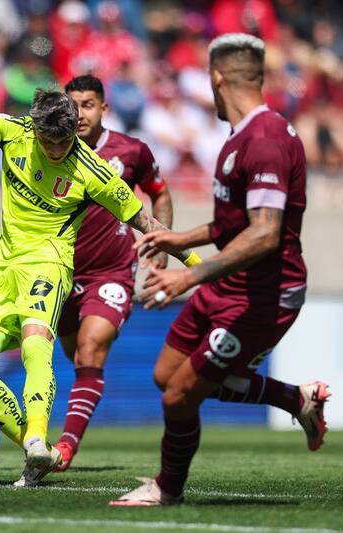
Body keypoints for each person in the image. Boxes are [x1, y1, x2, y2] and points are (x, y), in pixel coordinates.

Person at [0, 65, 201, 487]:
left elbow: (148, 222)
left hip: (49, 264)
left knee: (36, 346)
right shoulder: (13, 132)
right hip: (2, 266)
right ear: (36, 129)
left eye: (66, 141)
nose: (59, 149)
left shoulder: (93, 171)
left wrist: (197, 265)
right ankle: (33, 442)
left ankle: (37, 444)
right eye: (51, 141)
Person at [110, 33, 329, 507]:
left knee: (179, 398)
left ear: (215, 78)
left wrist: (187, 275)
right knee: (167, 376)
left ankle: (167, 488)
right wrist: (180, 238)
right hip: (230, 282)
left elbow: (265, 234)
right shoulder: (242, 135)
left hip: (263, 294)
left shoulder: (265, 140)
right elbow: (236, 222)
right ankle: (296, 399)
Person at [52, 74, 174, 471]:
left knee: (91, 350)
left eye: (88, 105)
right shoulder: (52, 149)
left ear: (104, 108)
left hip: (112, 272)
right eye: (72, 105)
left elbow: (160, 192)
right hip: (60, 274)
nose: (80, 113)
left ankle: (65, 448)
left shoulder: (131, 151)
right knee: (77, 358)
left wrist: (160, 248)